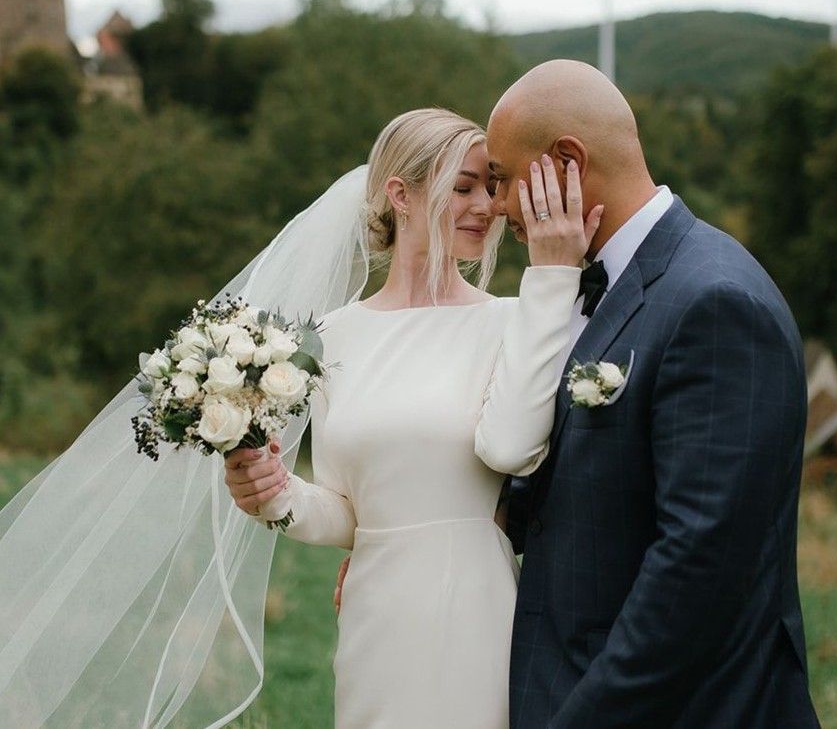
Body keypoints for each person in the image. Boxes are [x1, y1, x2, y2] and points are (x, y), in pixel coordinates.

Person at [337, 60, 821, 729]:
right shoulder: (591, 290)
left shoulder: (713, 301)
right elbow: (561, 488)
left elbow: (700, 567)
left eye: (502, 178)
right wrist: (414, 550)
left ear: (566, 160)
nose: (497, 206)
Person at [224, 106, 603, 729]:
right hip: (377, 615)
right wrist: (274, 495)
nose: (485, 205)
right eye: (463, 188)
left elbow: (515, 450)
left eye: (490, 186)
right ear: (400, 195)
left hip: (478, 608)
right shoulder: (331, 339)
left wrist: (552, 274)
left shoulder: (515, 320)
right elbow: (350, 512)